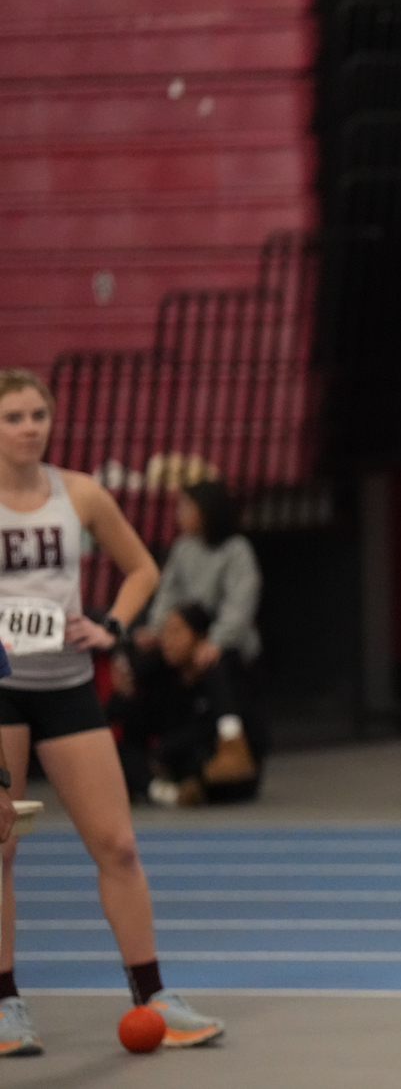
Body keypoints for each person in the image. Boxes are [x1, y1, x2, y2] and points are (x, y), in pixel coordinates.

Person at [0, 368, 224, 1054]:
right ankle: (5, 1004)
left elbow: (143, 569)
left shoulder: (83, 494)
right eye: (13, 417)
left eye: (38, 414)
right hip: (0, 688)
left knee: (118, 844)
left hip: (67, 685)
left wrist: (114, 626)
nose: (29, 427)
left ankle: (154, 991)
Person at [115, 603, 266, 808]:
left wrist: (165, 751)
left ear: (201, 637)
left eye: (177, 632)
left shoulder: (226, 674)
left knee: (223, 771)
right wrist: (124, 695)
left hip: (212, 763)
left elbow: (251, 733)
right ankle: (170, 795)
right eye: (165, 633)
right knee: (121, 757)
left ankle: (231, 746)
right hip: (173, 766)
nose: (168, 641)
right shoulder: (155, 673)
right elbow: (133, 727)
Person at [134, 478, 261, 686]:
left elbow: (240, 604)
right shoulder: (183, 547)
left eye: (186, 506)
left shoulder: (237, 549)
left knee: (215, 667)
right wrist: (157, 629)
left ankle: (229, 719)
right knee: (143, 664)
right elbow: (168, 593)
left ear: (207, 511)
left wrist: (216, 641)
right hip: (185, 635)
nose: (179, 513)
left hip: (229, 640)